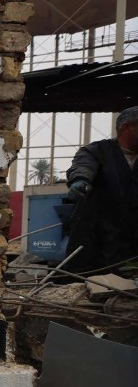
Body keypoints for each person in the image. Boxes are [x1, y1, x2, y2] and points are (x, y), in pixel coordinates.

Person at [65, 106, 138, 273]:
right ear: (127, 127)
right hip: (96, 236)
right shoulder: (96, 151)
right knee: (88, 282)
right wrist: (80, 181)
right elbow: (83, 166)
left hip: (131, 240)